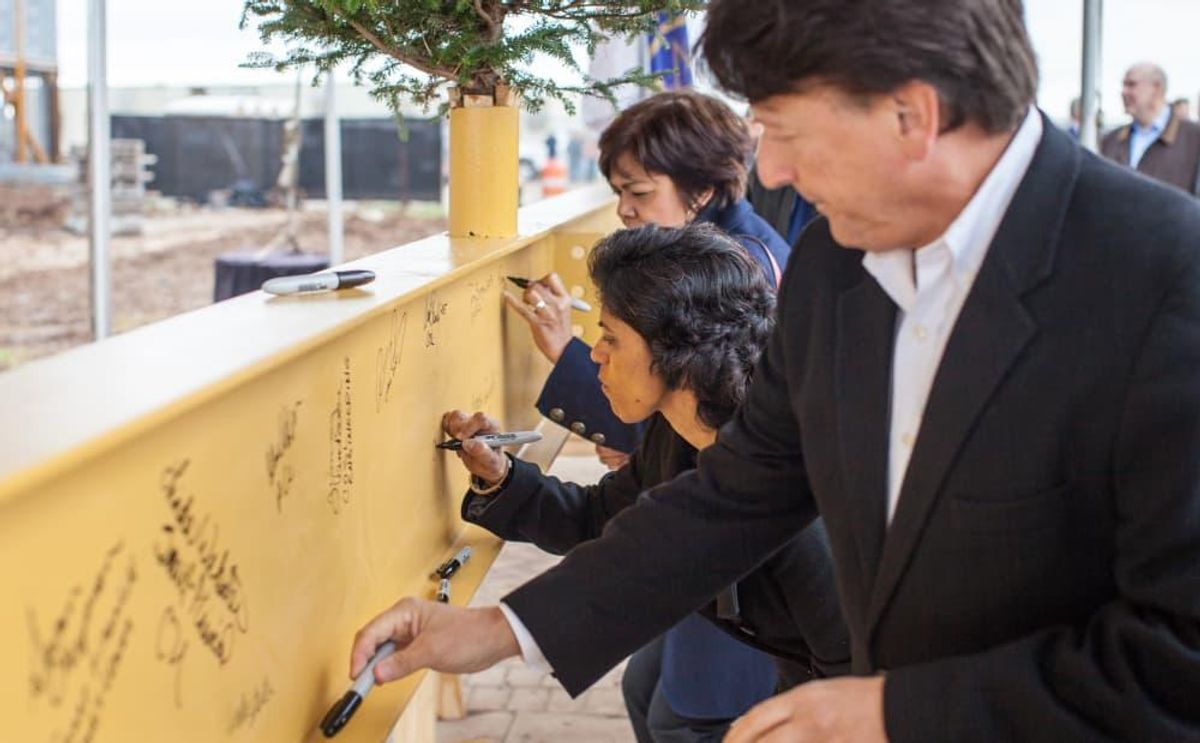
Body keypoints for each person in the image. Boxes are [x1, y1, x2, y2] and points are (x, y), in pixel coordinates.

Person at [350, 1, 1200, 741]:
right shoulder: (837, 264)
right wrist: (501, 627)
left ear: (913, 114)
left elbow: (1178, 655)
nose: (774, 173)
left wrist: (893, 715)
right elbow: (734, 495)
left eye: (784, 134)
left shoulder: (1164, 279)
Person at [441, 224, 848, 741]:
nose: (593, 353)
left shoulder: (800, 493)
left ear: (676, 348)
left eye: (610, 336)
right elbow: (599, 520)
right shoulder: (676, 435)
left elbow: (856, 667)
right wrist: (501, 477)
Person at [506, 91, 790, 463]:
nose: (625, 209)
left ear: (703, 189)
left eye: (639, 191)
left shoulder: (729, 272)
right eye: (619, 192)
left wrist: (562, 346)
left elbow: (682, 417)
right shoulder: (744, 247)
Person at [1101, 62, 1200, 196]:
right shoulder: (1111, 140)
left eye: (1131, 84)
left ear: (1156, 88)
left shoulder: (1193, 138)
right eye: (1124, 85)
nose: (1123, 92)